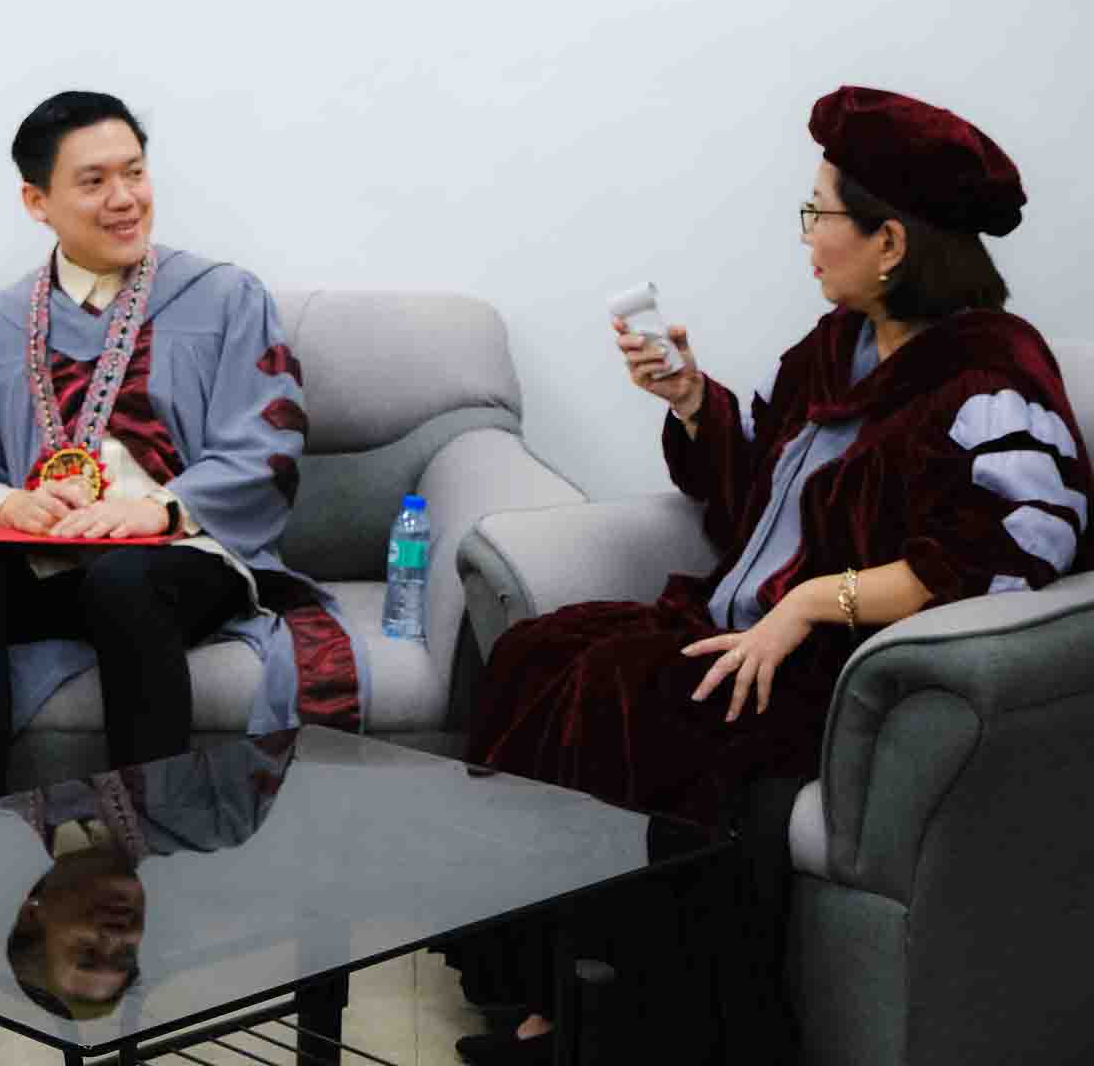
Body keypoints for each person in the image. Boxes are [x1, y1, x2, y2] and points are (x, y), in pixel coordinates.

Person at [455, 86, 1091, 1062]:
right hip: (739, 627)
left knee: (624, 696)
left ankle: (612, 1026)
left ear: (891, 242)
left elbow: (1009, 560)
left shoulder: (990, 379)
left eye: (818, 213)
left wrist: (812, 601)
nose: (805, 237)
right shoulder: (839, 348)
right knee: (536, 652)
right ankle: (541, 988)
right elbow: (756, 492)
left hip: (839, 673)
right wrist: (691, 400)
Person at [0, 91, 365, 812]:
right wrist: (4, 503)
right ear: (37, 201)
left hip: (181, 556)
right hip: (45, 559)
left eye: (134, 172)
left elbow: (263, 444)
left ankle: (152, 838)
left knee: (125, 581)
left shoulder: (225, 298)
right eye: (94, 181)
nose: (124, 198)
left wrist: (160, 509)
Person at [1, 734, 296, 1018]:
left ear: (31, 915)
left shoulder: (4, 800)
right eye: (126, 954)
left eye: (88, 952)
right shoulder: (221, 817)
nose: (118, 936)